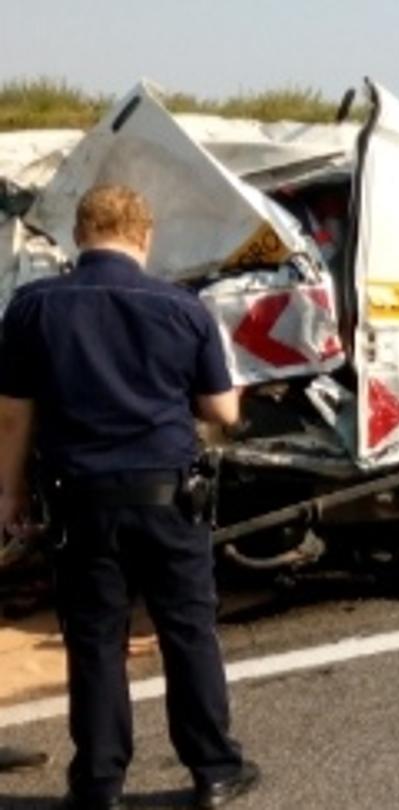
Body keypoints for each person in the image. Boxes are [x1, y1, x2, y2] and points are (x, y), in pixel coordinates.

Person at [0, 185, 258, 809]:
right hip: (169, 498)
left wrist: (9, 493)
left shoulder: (32, 307)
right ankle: (214, 770)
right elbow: (221, 411)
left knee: (94, 640)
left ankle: (99, 783)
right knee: (187, 630)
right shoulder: (182, 307)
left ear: (79, 235)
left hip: (79, 501)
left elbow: (12, 416)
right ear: (145, 236)